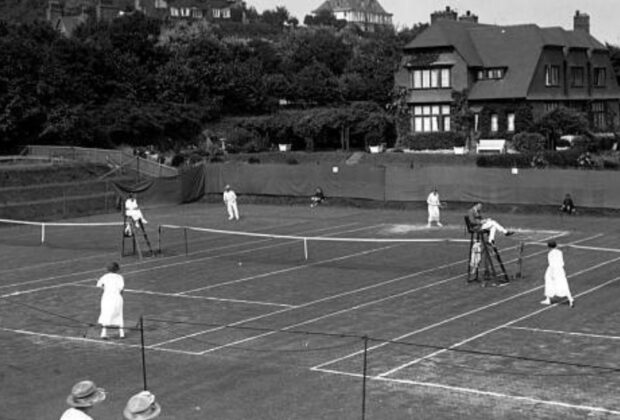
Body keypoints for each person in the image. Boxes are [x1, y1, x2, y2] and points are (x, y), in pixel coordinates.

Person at [541, 241, 574, 307]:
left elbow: (552, 264)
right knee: (564, 284)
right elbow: (561, 262)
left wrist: (552, 274)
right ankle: (570, 299)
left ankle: (548, 299)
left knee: (549, 282)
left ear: (549, 247)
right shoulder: (560, 252)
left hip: (553, 270)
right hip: (560, 269)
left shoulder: (550, 254)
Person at [97, 262, 125, 339]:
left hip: (106, 297)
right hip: (117, 297)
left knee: (105, 313)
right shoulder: (120, 277)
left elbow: (100, 285)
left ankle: (103, 333)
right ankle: (122, 334)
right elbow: (121, 289)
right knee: (119, 314)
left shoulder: (104, 277)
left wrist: (105, 288)